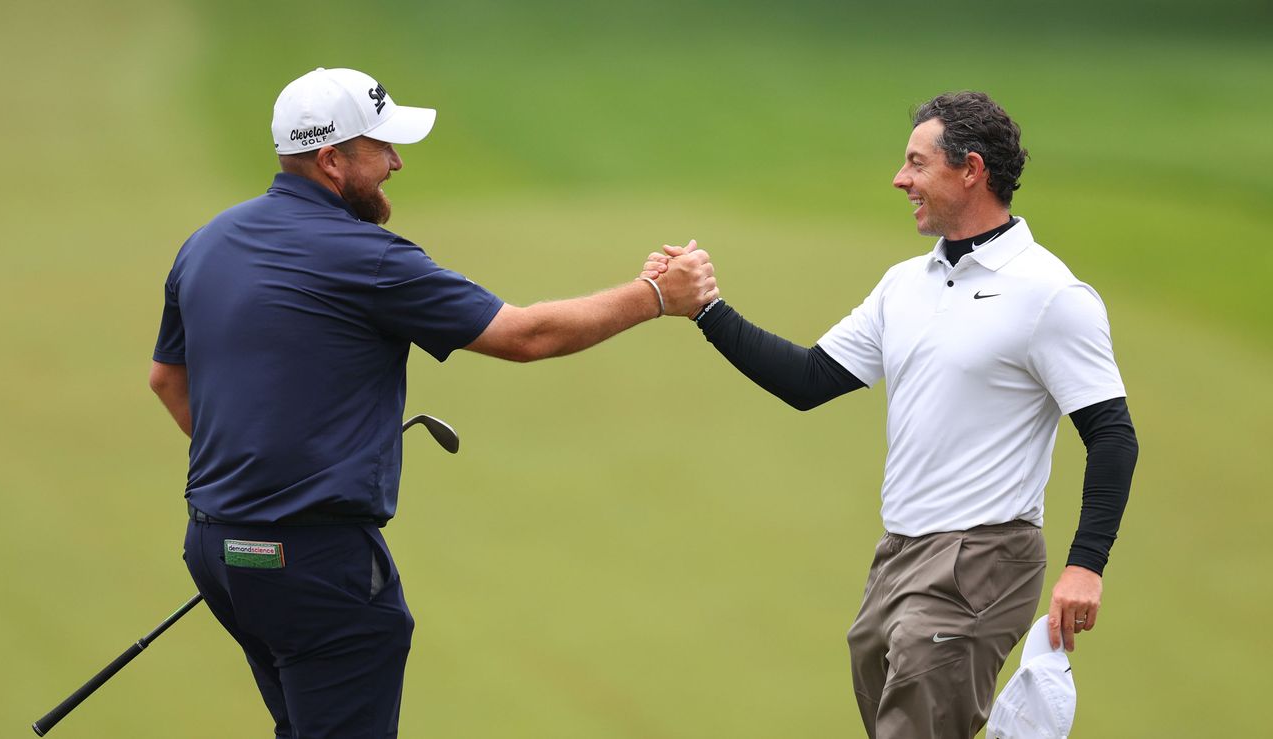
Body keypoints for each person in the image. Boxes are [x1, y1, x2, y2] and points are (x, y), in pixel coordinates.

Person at [148, 67, 716, 739]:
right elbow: (524, 335)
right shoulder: (369, 258)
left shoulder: (206, 242)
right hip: (316, 564)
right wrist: (655, 297)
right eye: (380, 146)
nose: (396, 161)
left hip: (218, 550)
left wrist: (255, 493)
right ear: (332, 159)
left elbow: (167, 379)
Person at [643, 91, 1138, 738]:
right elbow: (808, 378)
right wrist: (706, 308)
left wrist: (1086, 563)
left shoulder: (1050, 295)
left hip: (984, 555)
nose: (900, 179)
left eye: (916, 163)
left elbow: (1112, 434)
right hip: (898, 552)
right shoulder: (906, 284)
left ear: (971, 169)